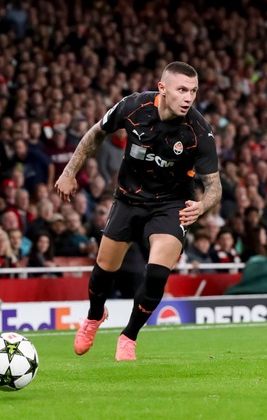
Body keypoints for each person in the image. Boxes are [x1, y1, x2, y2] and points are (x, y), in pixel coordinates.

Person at [55, 62, 221, 361]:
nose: (188, 97)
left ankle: (129, 336)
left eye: (193, 91)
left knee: (157, 274)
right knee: (104, 269)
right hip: (129, 199)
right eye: (182, 89)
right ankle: (94, 316)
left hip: (171, 205)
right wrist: (69, 172)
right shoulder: (134, 106)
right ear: (162, 88)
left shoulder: (198, 131)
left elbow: (214, 186)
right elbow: (96, 133)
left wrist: (202, 205)